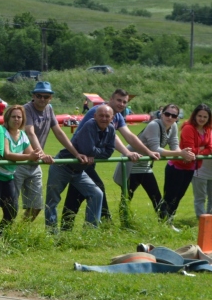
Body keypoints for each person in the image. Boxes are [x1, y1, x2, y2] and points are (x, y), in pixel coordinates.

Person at [62, 89, 157, 230]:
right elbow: (113, 139)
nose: (122, 104)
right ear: (111, 99)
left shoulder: (116, 117)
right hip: (79, 158)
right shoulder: (99, 113)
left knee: (76, 194)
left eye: (125, 102)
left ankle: (66, 229)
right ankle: (105, 224)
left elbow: (129, 136)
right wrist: (127, 153)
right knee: (97, 188)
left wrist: (149, 152)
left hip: (88, 161)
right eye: (119, 100)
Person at [44, 105, 137, 231]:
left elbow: (109, 152)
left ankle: (90, 230)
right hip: (63, 165)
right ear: (95, 116)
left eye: (107, 116)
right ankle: (52, 233)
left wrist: (94, 153)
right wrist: (95, 152)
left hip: (79, 170)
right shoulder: (89, 125)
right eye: (101, 115)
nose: (104, 118)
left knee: (97, 194)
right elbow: (88, 149)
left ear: (112, 118)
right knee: (52, 200)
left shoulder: (111, 129)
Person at [114, 104, 194, 217]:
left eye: (174, 115)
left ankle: (165, 224)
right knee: (127, 197)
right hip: (131, 163)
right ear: (161, 114)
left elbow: (175, 146)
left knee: (156, 197)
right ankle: (124, 225)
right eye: (167, 114)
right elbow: (155, 149)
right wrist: (180, 153)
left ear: (177, 118)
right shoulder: (153, 125)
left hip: (145, 166)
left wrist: (184, 154)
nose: (170, 117)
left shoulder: (173, 127)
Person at [20, 81, 83, 221]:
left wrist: (75, 153)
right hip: (18, 160)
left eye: (46, 96)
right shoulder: (26, 109)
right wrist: (41, 153)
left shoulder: (49, 109)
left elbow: (59, 133)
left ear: (50, 98)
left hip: (34, 162)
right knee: (9, 204)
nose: (42, 99)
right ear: (33, 96)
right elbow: (30, 132)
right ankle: (2, 236)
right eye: (39, 95)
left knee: (36, 207)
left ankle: (17, 233)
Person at [0, 105, 40, 235]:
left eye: (19, 117)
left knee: (12, 210)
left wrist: (39, 156)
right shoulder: (2, 132)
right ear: (7, 117)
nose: (16, 119)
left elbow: (31, 154)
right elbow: (6, 154)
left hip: (8, 176)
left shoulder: (23, 135)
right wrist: (29, 156)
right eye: (13, 116)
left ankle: (1, 236)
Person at [162, 104, 212, 227]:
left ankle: (169, 222)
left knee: (178, 197)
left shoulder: (208, 129)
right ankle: (165, 222)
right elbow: (189, 149)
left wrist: (200, 149)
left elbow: (210, 148)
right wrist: (202, 148)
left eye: (205, 117)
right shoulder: (188, 128)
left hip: (191, 167)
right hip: (177, 167)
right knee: (171, 197)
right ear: (194, 116)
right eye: (199, 115)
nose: (202, 119)